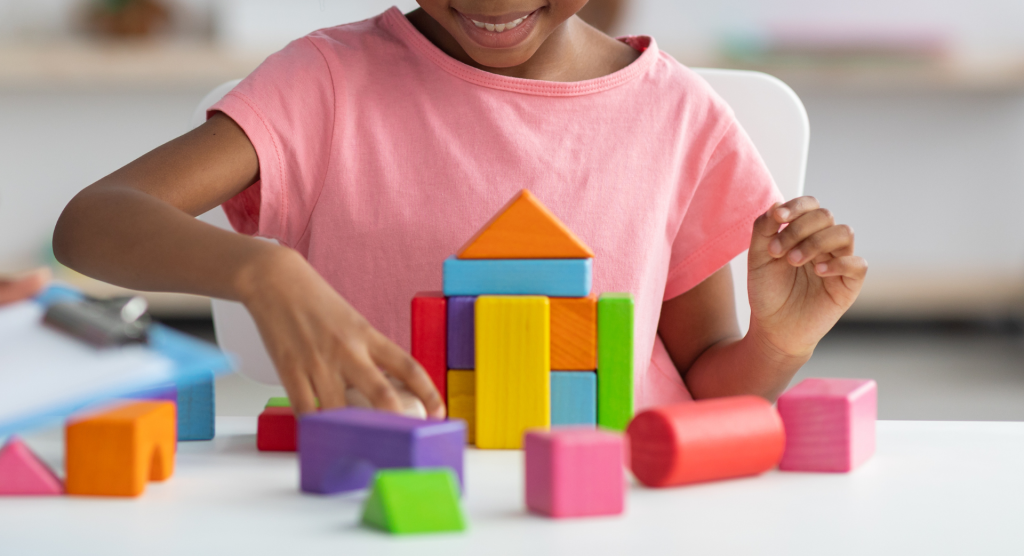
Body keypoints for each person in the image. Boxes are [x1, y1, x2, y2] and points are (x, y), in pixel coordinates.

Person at [52, 1, 866, 419]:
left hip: (619, 520)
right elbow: (93, 220)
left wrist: (778, 343)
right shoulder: (327, 83)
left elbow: (706, 394)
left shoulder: (679, 117)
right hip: (381, 516)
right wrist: (257, 268)